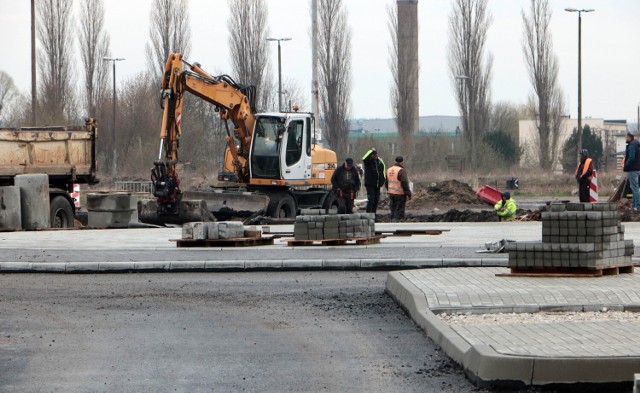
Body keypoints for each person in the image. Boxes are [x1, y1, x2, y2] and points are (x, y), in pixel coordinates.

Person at [385, 156, 412, 220]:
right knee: (399, 210)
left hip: (391, 193)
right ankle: (397, 224)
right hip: (400, 194)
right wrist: (408, 193)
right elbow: (404, 182)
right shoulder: (401, 171)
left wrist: (389, 190)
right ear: (401, 163)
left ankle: (391, 223)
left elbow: (386, 182)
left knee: (393, 209)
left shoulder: (389, 170)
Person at [362, 148, 386, 214]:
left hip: (377, 184)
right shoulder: (368, 161)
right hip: (370, 184)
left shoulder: (379, 161)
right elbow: (364, 158)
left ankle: (373, 215)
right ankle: (368, 214)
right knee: (371, 200)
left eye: (375, 154)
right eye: (373, 154)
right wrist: (371, 151)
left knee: (376, 200)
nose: (374, 156)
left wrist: (383, 180)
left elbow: (383, 170)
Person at [624, 132, 640, 210]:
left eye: (626, 137)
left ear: (630, 137)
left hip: (632, 169)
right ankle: (634, 205)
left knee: (634, 188)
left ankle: (637, 205)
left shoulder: (632, 145)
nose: (625, 139)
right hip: (636, 169)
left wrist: (626, 165)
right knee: (634, 187)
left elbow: (631, 157)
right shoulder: (635, 144)